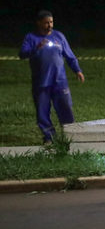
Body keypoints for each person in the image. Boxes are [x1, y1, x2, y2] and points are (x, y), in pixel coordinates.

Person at [18, 10, 85, 144]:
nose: (50, 25)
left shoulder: (59, 36)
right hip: (41, 83)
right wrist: (36, 47)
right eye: (46, 23)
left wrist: (77, 70)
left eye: (51, 22)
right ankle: (49, 138)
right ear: (39, 23)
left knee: (66, 109)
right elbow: (22, 54)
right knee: (42, 112)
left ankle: (71, 137)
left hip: (60, 81)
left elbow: (69, 55)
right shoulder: (31, 38)